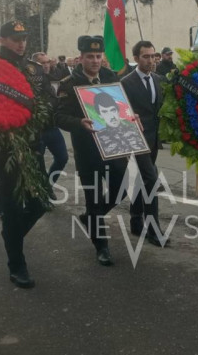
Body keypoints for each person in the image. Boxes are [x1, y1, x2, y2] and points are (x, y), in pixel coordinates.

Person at [56, 35, 128, 266]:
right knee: (94, 199)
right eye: (90, 56)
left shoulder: (109, 76)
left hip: (114, 146)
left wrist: (130, 117)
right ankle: (101, 247)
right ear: (81, 58)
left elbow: (121, 106)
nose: (95, 60)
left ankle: (90, 218)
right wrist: (79, 123)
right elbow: (59, 116)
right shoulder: (69, 83)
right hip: (88, 152)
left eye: (98, 56)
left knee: (122, 189)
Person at [0, 20, 52, 288]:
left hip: (32, 146)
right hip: (4, 151)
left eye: (24, 38)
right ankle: (17, 265)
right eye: (15, 39)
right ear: (2, 40)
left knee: (41, 202)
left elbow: (49, 98)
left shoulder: (34, 69)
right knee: (13, 209)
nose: (21, 43)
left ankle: (12, 237)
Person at [120, 41, 166, 246]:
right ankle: (153, 230)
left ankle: (135, 220)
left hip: (153, 138)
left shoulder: (158, 79)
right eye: (146, 56)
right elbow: (121, 111)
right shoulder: (126, 82)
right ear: (136, 58)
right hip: (136, 138)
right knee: (151, 180)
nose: (151, 60)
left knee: (141, 179)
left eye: (153, 56)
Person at [31, 52, 69, 197]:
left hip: (52, 127)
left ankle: (47, 185)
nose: (46, 65)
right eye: (42, 63)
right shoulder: (32, 82)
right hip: (38, 129)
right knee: (38, 163)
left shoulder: (54, 78)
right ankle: (41, 192)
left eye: (47, 62)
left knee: (63, 158)